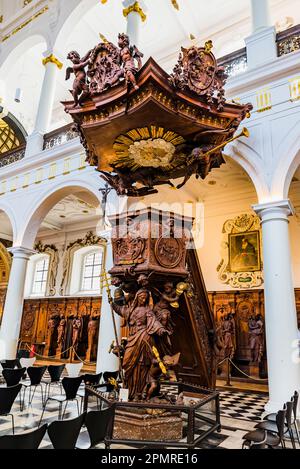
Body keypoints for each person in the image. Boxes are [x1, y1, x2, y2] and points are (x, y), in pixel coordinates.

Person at [111, 288, 167, 400]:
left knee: (142, 364)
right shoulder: (130, 310)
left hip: (144, 337)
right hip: (132, 338)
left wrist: (161, 329)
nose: (143, 299)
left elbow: (154, 322)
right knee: (127, 362)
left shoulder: (148, 311)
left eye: (145, 297)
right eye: (141, 297)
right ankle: (129, 392)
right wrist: (112, 303)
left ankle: (140, 392)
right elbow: (120, 310)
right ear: (137, 297)